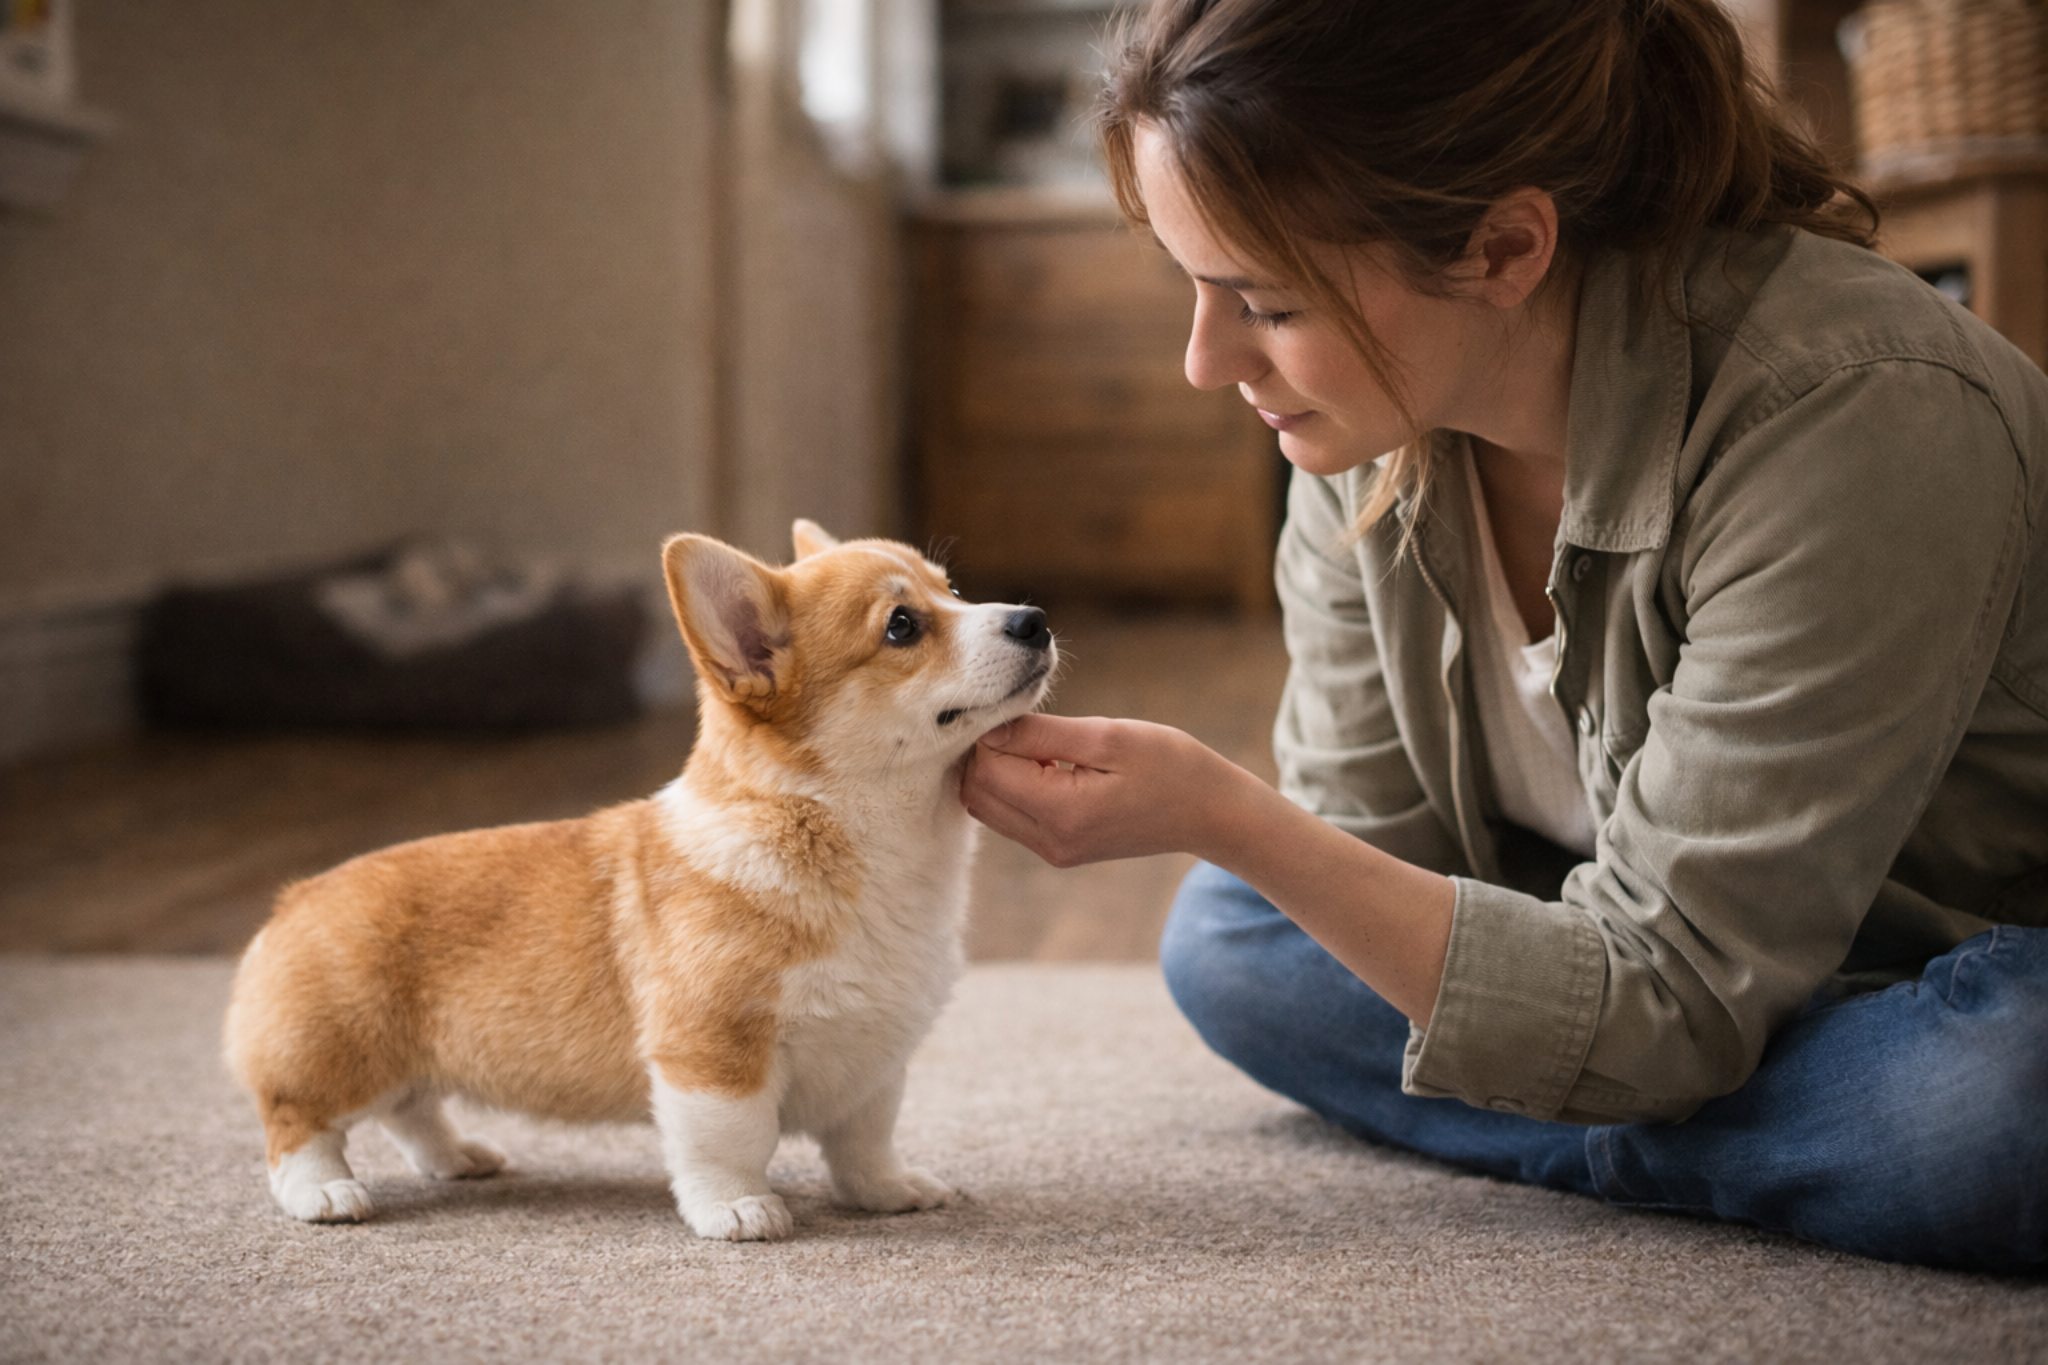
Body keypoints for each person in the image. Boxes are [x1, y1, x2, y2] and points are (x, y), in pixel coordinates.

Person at [957, 0, 2048, 1274]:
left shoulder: (1851, 413)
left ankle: (1641, 1120)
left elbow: (1671, 994)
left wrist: (1227, 812)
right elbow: (1375, 856)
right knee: (1231, 942)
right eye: (1195, 288)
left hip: (1934, 964)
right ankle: (1735, 1137)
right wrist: (1253, 842)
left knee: (1997, 1106)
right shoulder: (1355, 439)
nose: (1206, 362)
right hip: (1660, 970)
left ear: (1503, 247)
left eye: (1264, 302)